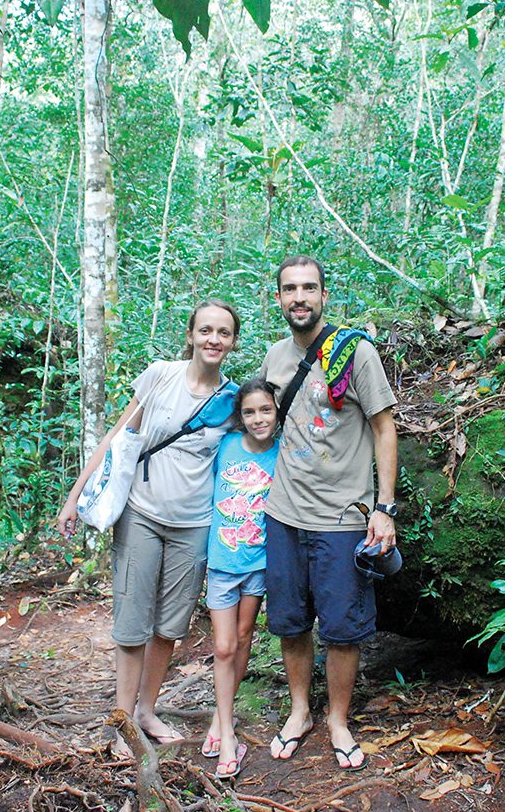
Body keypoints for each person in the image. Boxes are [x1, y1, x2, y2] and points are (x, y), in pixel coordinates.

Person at [56, 300, 241, 753]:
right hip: (141, 513)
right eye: (205, 331)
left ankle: (146, 710)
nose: (213, 340)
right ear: (191, 334)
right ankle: (122, 723)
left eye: (223, 333)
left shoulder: (232, 401)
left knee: (169, 625)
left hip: (195, 523)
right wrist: (74, 496)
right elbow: (117, 441)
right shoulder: (161, 376)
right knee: (132, 621)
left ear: (233, 341)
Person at [259, 256, 398, 772]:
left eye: (309, 288)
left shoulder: (355, 352)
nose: (300, 297)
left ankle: (338, 719)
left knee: (343, 627)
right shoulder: (274, 358)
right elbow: (259, 421)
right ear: (278, 298)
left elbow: (385, 427)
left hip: (342, 516)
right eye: (290, 289)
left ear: (323, 295)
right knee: (291, 621)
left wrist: (383, 508)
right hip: (284, 512)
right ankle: (300, 712)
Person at [199, 379, 280, 780]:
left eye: (265, 410)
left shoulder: (283, 452)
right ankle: (229, 738)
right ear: (240, 416)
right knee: (224, 645)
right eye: (249, 412)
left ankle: (220, 714)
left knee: (245, 637)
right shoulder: (227, 445)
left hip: (259, 562)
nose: (258, 418)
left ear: (276, 411)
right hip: (222, 562)